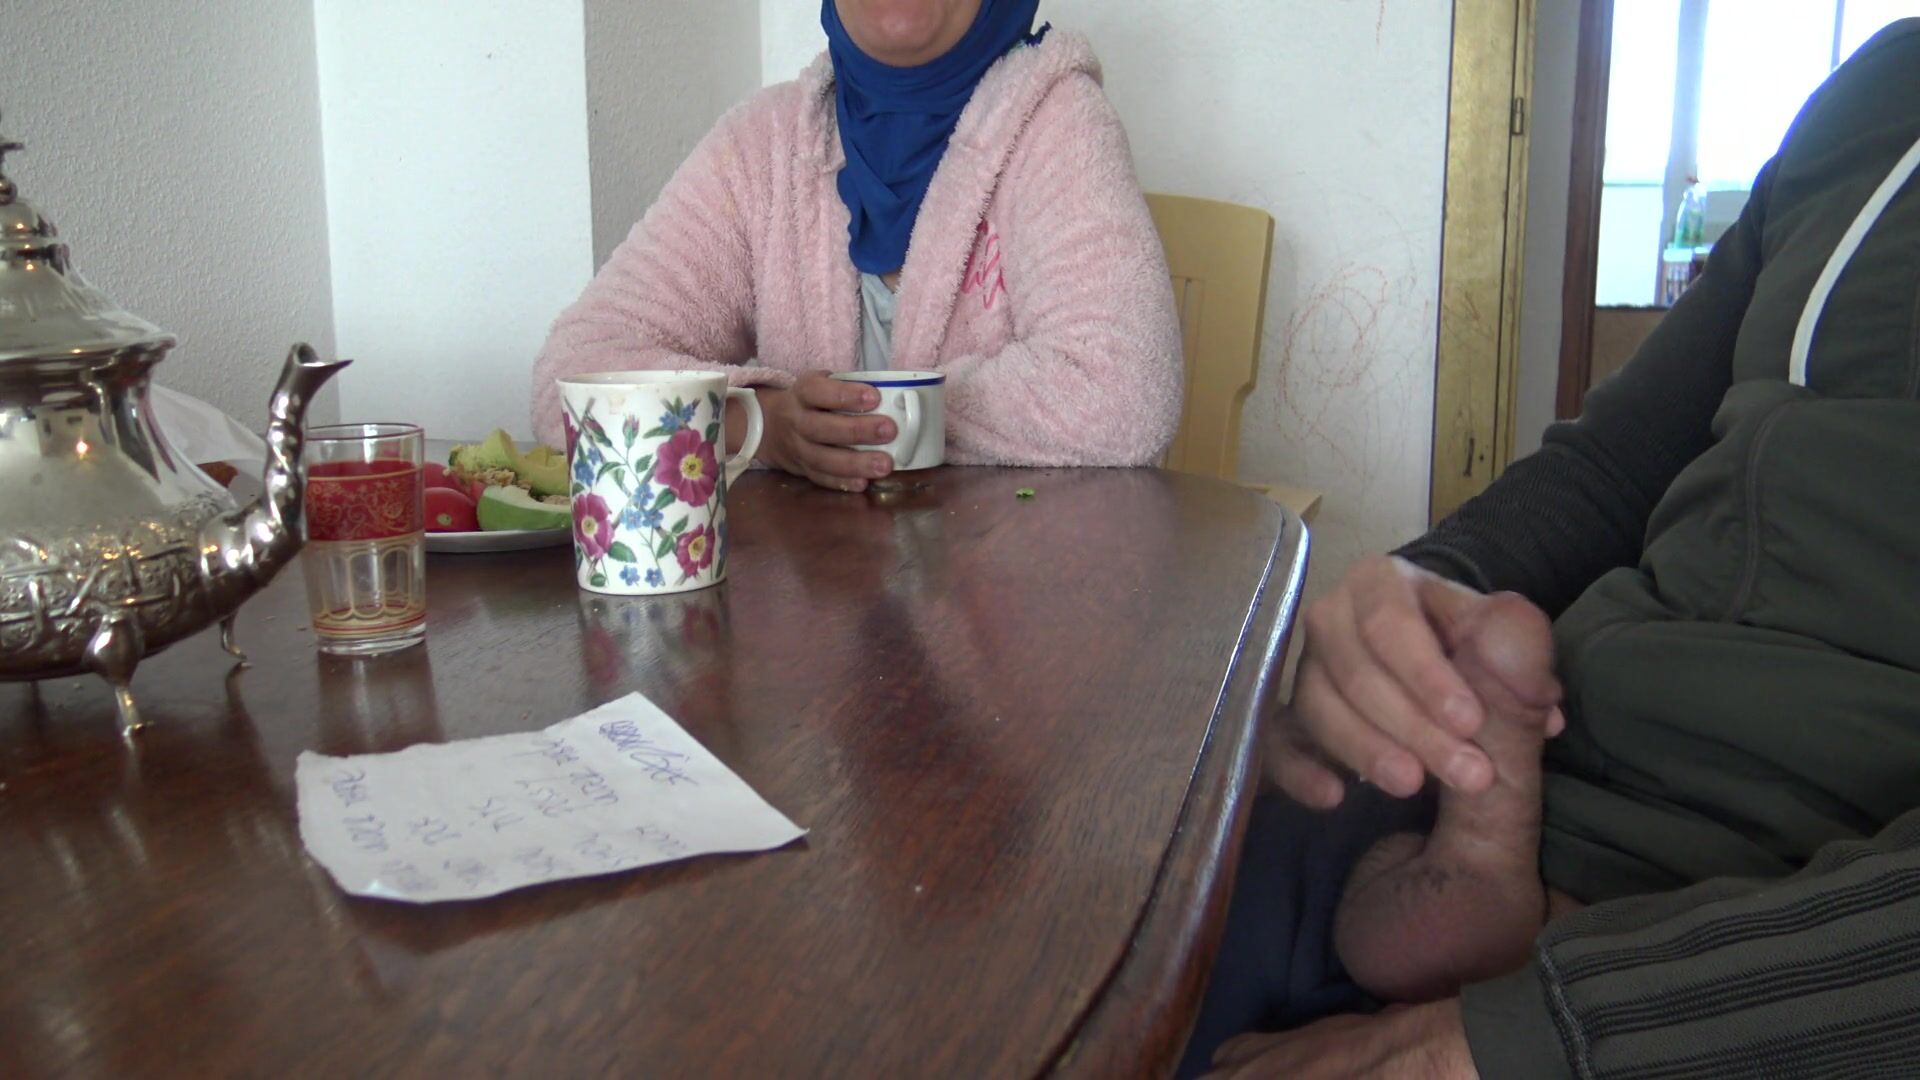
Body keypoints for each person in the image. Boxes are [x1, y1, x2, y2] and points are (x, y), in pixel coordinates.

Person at [1187, 18, 1920, 1078]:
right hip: (1539, 789)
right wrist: (1424, 597)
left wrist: (1514, 1040)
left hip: (1789, 950)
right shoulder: (1881, 94)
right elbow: (1614, 465)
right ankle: (1481, 843)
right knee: (1085, 900)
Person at [530, 0, 1182, 492]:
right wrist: (762, 425)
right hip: (813, 605)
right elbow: (571, 379)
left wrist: (857, 423)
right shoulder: (763, 144)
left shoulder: (1060, 124)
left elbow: (1122, 397)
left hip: (1012, 601)